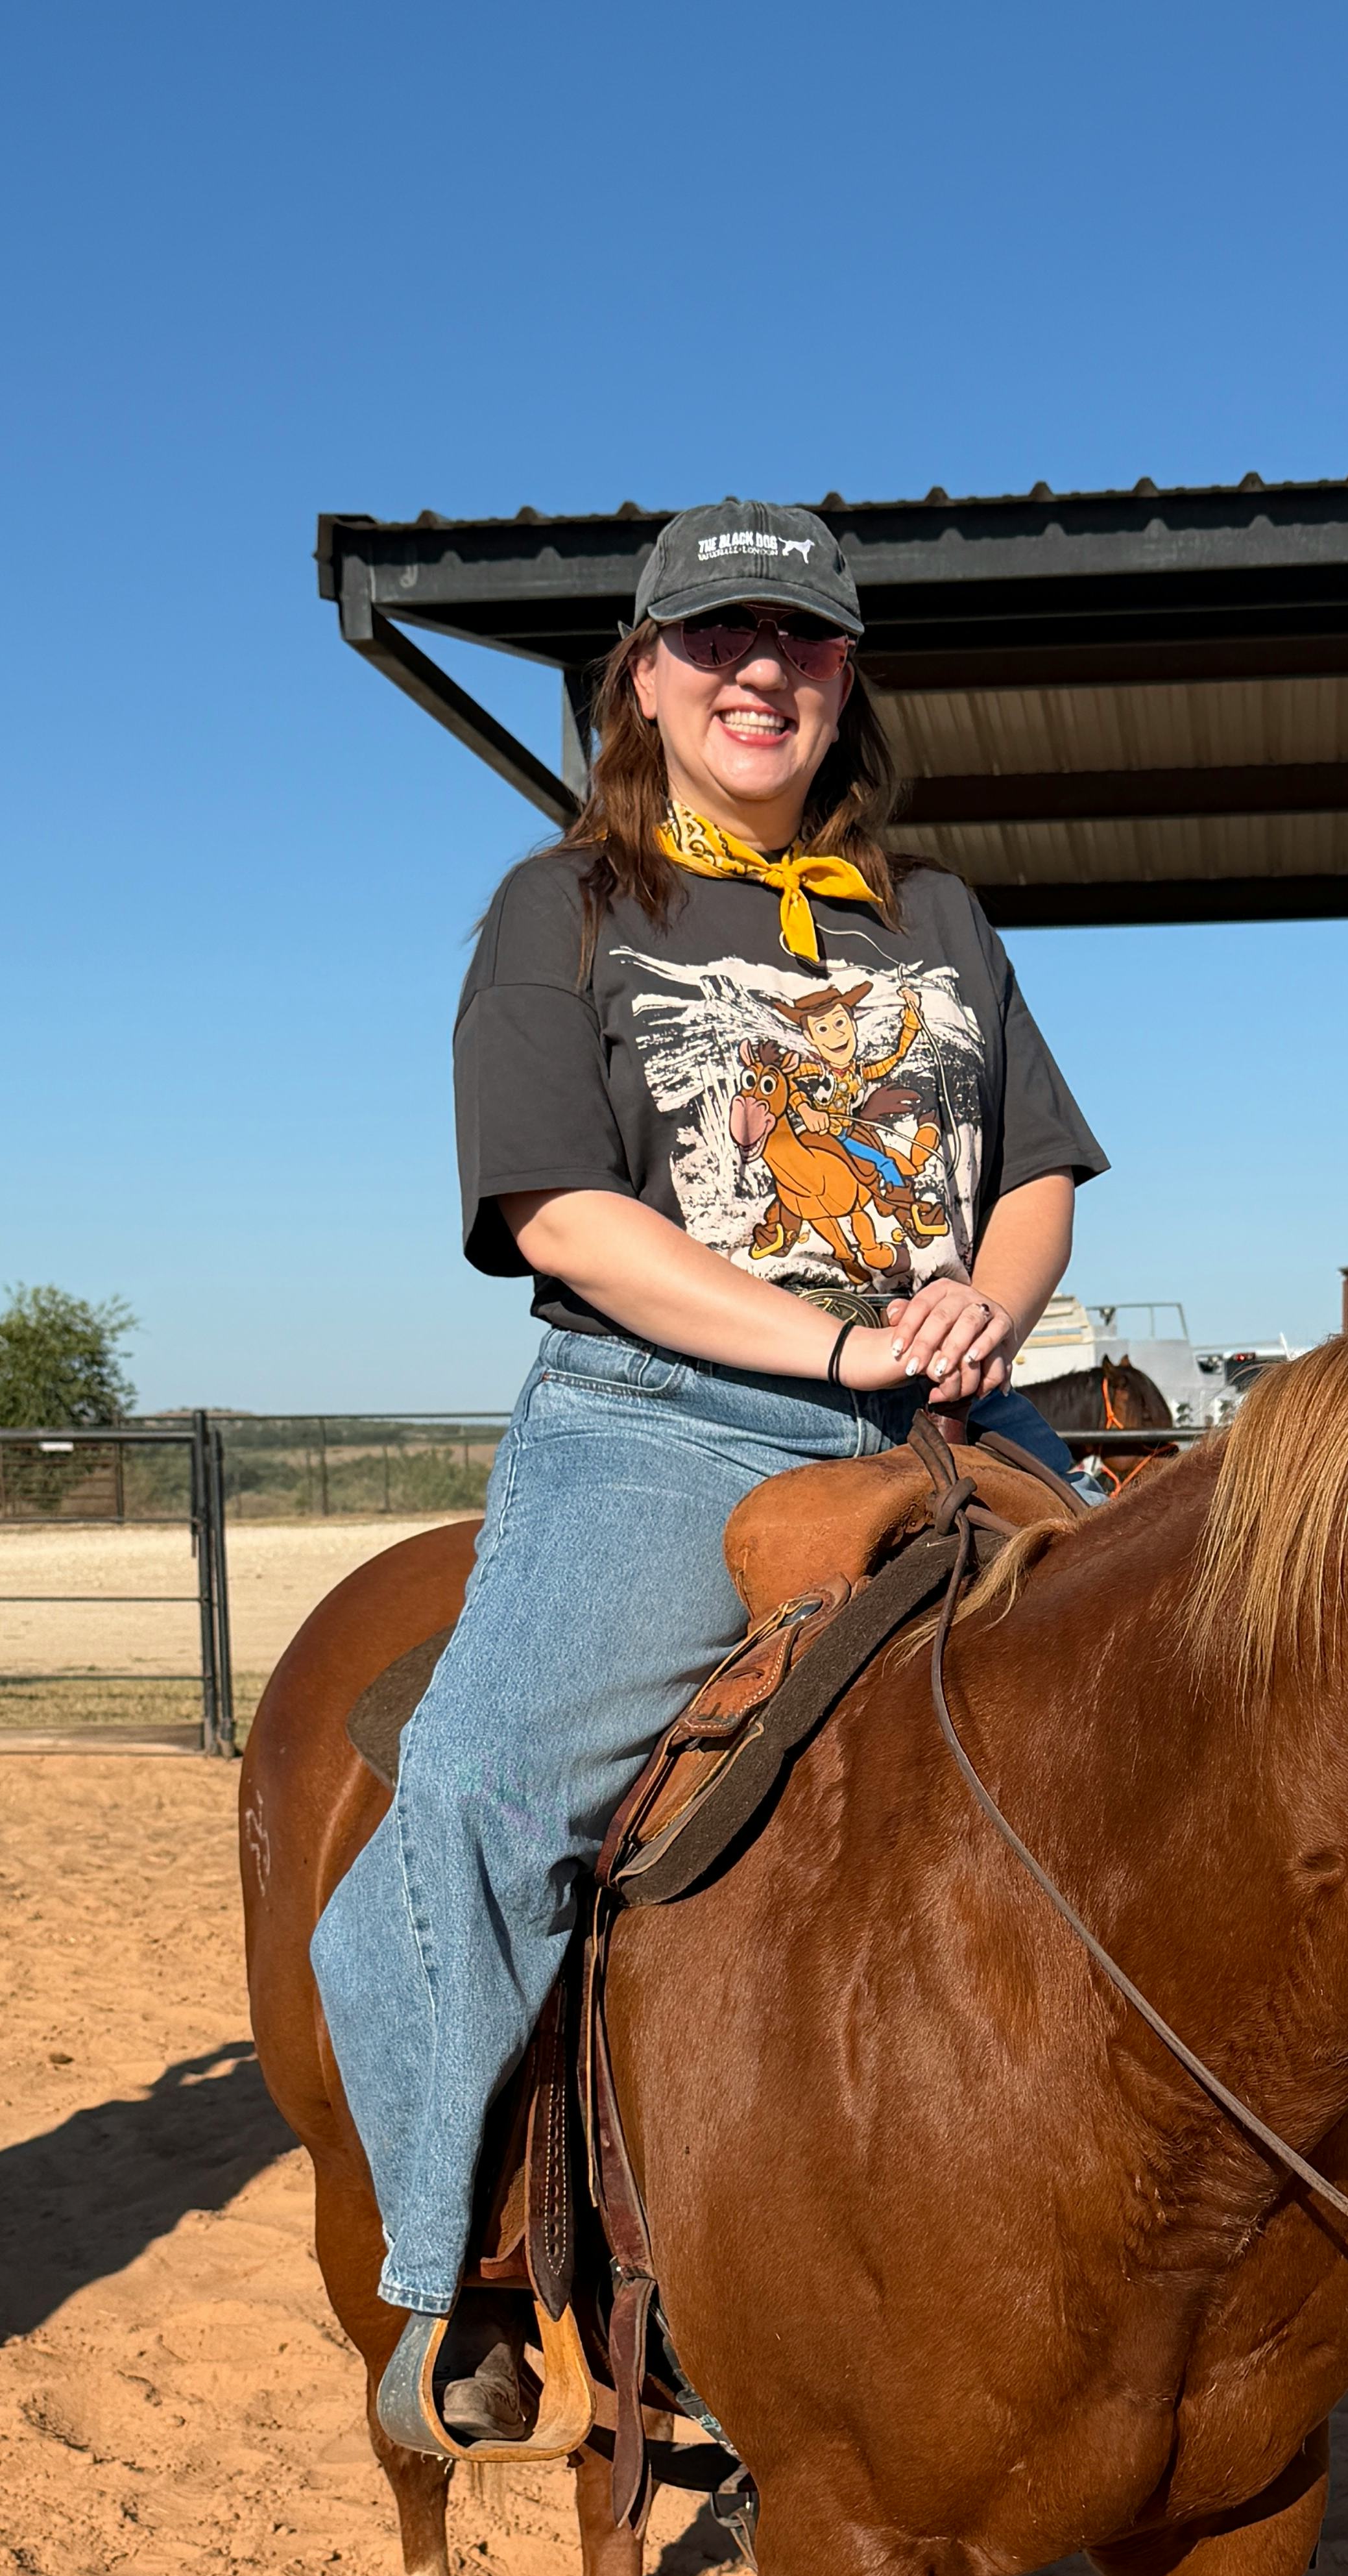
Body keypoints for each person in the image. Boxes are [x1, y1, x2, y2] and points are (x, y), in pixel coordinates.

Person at [313, 496, 1109, 2451]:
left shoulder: (935, 916)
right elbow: (564, 1216)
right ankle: (460, 2268)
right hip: (674, 1424)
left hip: (954, 1416)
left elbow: (1029, 1176)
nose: (764, 672)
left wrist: (978, 1322)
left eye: (807, 643)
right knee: (485, 1801)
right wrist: (833, 1343)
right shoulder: (562, 907)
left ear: (847, 682)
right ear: (644, 680)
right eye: (718, 641)